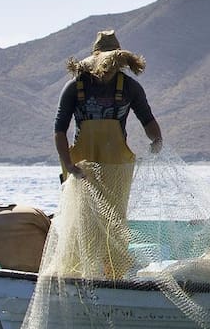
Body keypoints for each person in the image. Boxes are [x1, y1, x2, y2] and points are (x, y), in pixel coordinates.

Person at [53, 30, 162, 276]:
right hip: (82, 167)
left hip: (116, 167)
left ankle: (115, 275)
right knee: (82, 222)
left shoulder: (130, 88)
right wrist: (68, 164)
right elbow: (59, 129)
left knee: (114, 221)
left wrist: (157, 139)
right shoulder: (75, 87)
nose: (109, 69)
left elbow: (147, 119)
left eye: (114, 64)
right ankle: (79, 273)